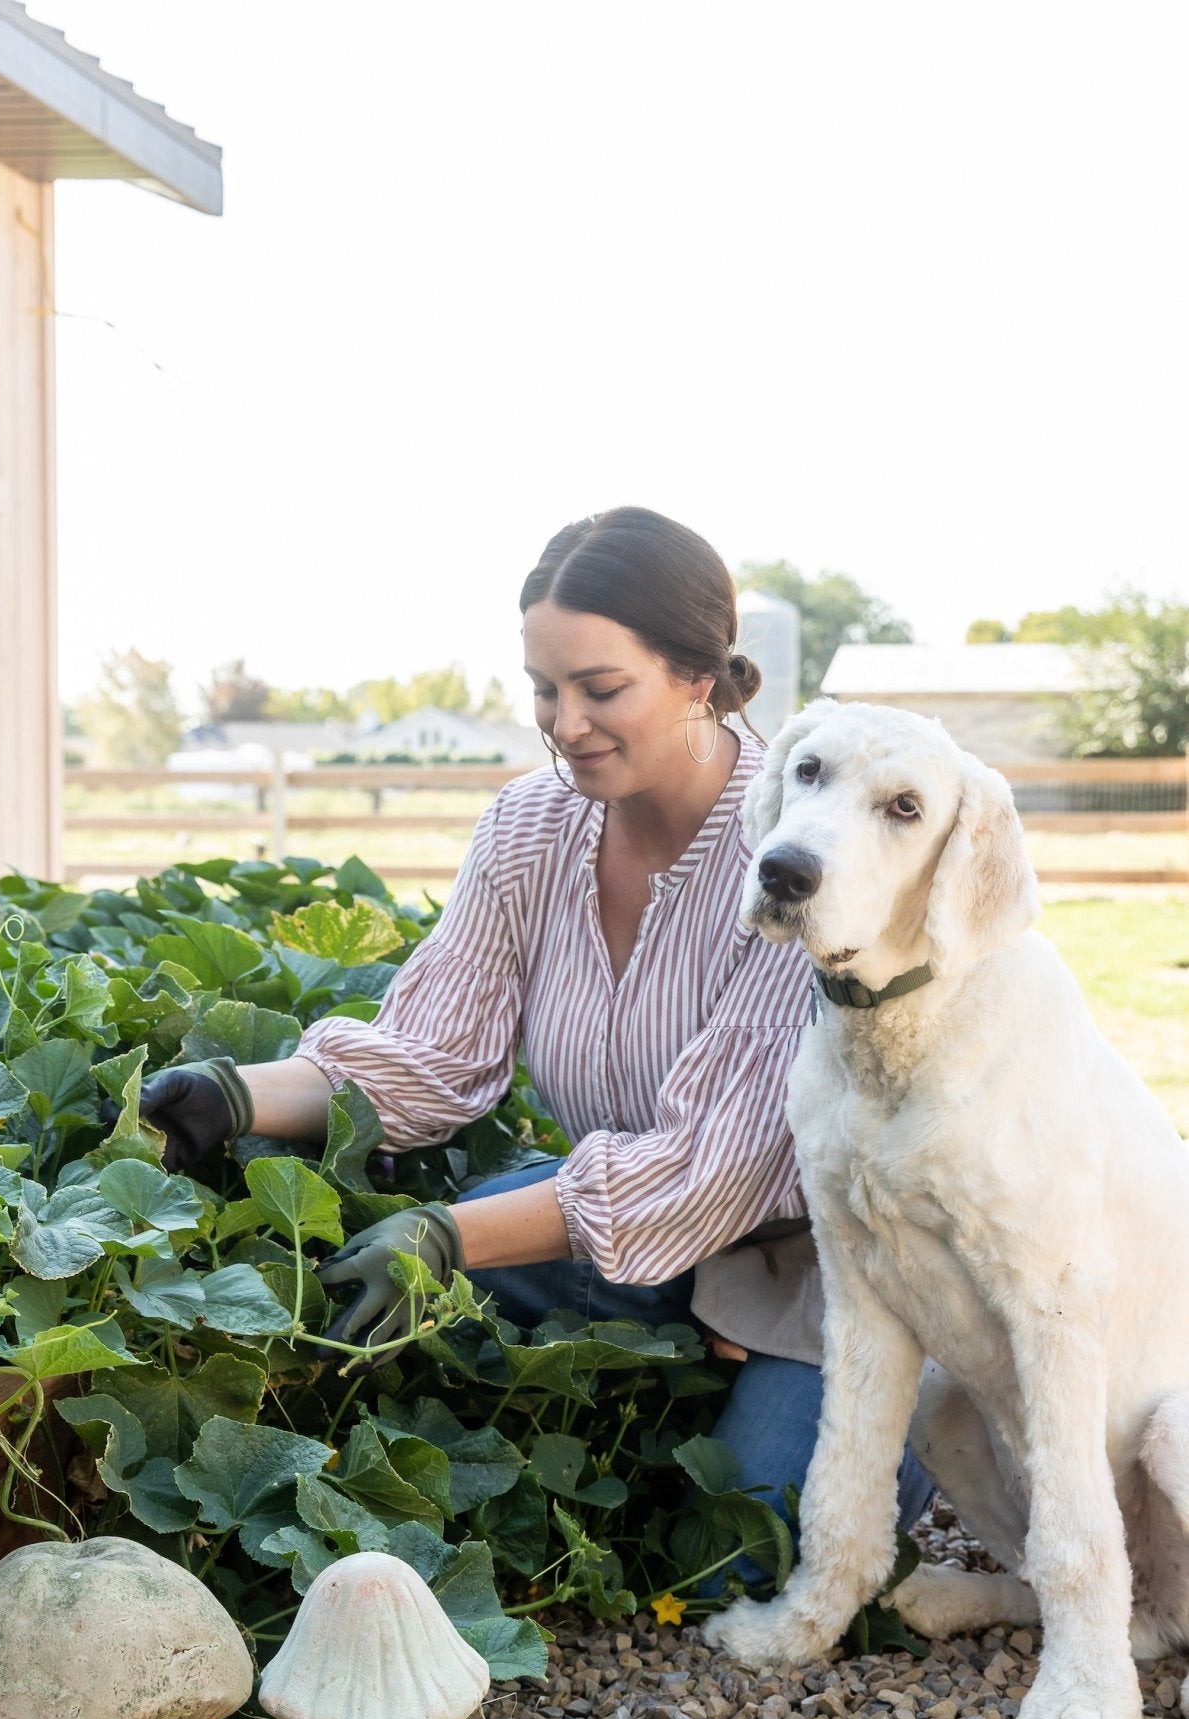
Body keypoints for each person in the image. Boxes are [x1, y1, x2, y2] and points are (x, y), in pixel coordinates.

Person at [141, 507, 932, 1545]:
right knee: (425, 1258)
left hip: (825, 1261)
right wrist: (228, 1093)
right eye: (542, 689)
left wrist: (441, 1234)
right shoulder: (531, 826)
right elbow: (431, 1056)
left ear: (698, 675)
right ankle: (659, 1377)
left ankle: (905, 1411)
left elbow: (717, 1169)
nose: (565, 722)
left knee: (743, 1547)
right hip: (641, 1225)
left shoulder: (792, 853)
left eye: (601, 689)